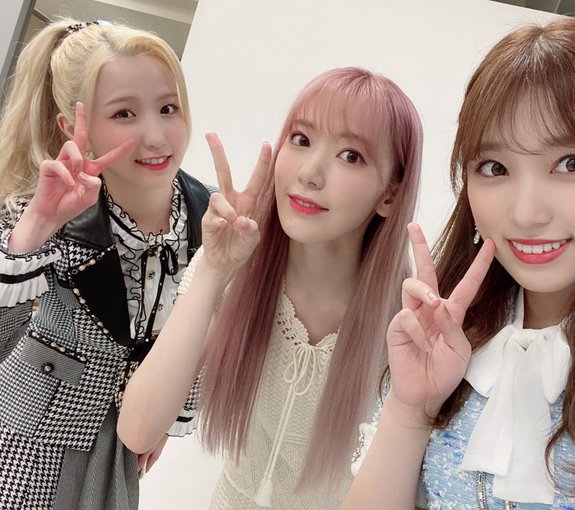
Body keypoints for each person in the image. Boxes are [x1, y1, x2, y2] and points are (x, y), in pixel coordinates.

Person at [343, 17, 575, 510]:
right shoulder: (448, 339)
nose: (525, 214)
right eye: (495, 167)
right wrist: (410, 410)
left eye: (571, 163)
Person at [117, 66, 423, 508]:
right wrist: (214, 270)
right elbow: (137, 430)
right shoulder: (238, 270)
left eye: (351, 155)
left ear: (390, 195)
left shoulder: (405, 326)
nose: (311, 173)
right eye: (301, 139)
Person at [0, 18, 211, 510]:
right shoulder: (40, 210)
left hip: (120, 440)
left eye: (168, 108)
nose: (156, 135)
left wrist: (170, 414)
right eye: (124, 114)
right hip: (27, 441)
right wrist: (36, 228)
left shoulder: (206, 214)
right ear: (73, 128)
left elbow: (204, 329)